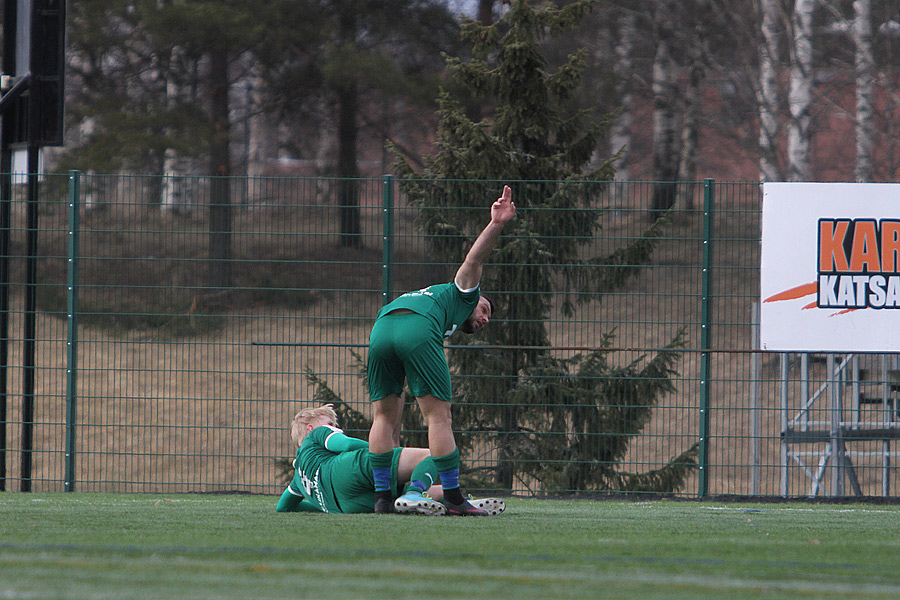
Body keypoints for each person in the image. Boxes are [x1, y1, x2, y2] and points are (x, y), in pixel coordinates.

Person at [366, 185, 516, 515]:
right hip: (417, 329)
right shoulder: (462, 293)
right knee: (438, 415)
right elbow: (474, 259)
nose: (484, 319)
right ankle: (453, 496)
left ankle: (381, 499)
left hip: (381, 327)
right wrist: (497, 223)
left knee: (383, 416)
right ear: (475, 299)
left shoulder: (424, 294)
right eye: (485, 310)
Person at [276, 404, 505, 516]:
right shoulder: (317, 435)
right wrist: (380, 452)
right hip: (345, 470)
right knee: (434, 454)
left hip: (347, 506)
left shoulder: (298, 477)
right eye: (331, 424)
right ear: (310, 428)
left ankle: (449, 500)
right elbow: (345, 444)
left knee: (396, 497)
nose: (337, 428)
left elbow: (283, 507)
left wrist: (319, 505)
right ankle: (415, 493)